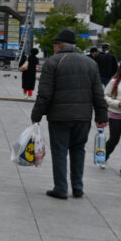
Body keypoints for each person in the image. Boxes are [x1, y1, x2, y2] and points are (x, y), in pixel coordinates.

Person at [31, 29, 108, 199]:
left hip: (59, 117)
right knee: (78, 150)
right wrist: (101, 116)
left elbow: (45, 94)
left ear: (59, 46)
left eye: (54, 45)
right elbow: (98, 93)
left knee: (59, 151)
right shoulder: (90, 63)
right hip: (83, 117)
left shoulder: (52, 63)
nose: (54, 48)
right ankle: (78, 187)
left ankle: (60, 188)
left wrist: (36, 114)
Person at [103, 66, 121, 173]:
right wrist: (117, 103)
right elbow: (105, 96)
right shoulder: (114, 81)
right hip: (115, 114)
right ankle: (103, 156)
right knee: (114, 140)